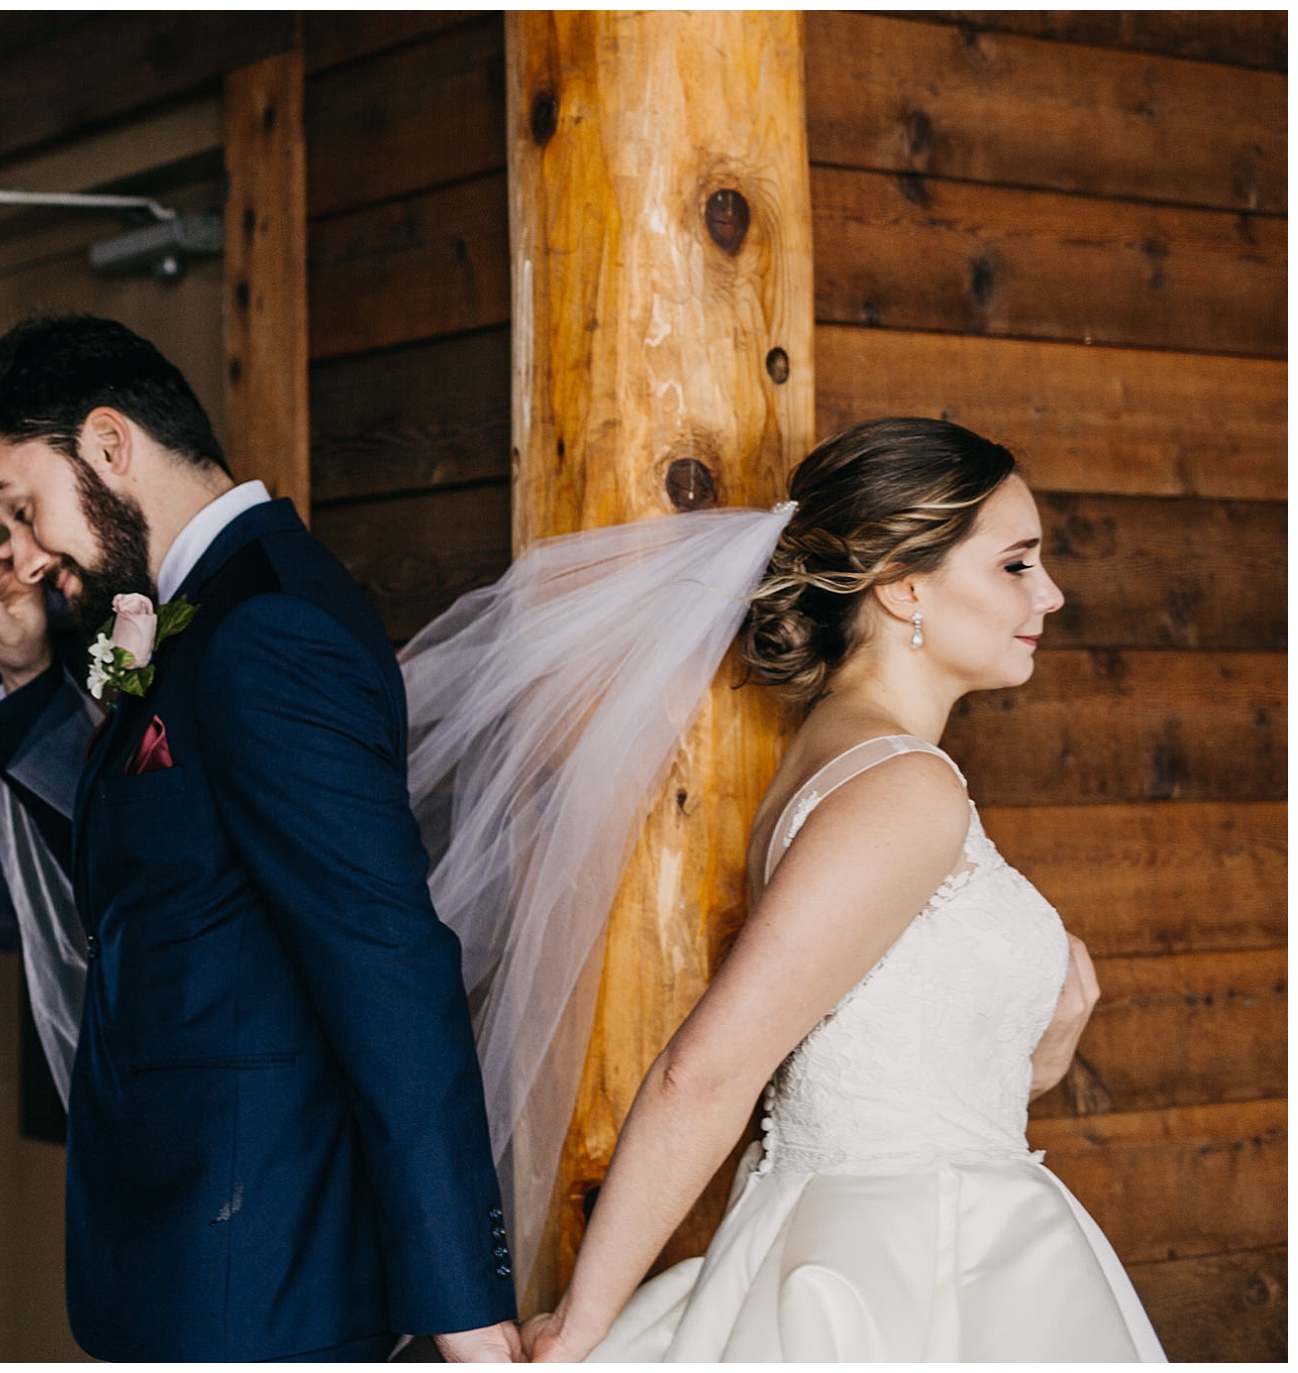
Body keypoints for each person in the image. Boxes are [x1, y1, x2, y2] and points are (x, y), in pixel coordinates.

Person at [412, 418, 1161, 1360]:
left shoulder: (844, 758)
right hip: (907, 1263)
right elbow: (707, 1069)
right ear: (903, 584)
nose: (1049, 593)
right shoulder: (903, 786)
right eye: (1016, 563)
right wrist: (582, 1323)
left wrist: (1036, 1042)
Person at [0, 315, 521, 1362]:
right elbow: (156, 871)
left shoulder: (267, 630)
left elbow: (386, 963)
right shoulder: (189, 611)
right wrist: (26, 679)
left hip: (256, 1268)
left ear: (109, 445)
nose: (16, 553)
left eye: (20, 508)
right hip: (181, 1245)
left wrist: (462, 1307)